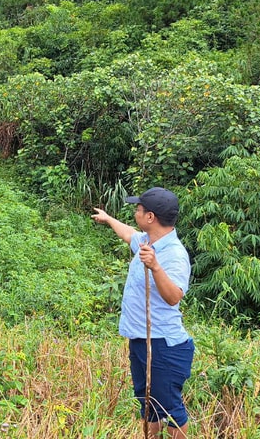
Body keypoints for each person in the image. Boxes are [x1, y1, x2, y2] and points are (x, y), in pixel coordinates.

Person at [92, 187, 194, 438]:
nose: (135, 213)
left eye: (138, 209)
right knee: (148, 405)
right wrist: (107, 219)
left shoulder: (174, 254)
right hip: (140, 340)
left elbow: (174, 297)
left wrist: (156, 267)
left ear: (150, 217)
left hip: (163, 345)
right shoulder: (148, 241)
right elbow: (129, 235)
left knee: (170, 409)